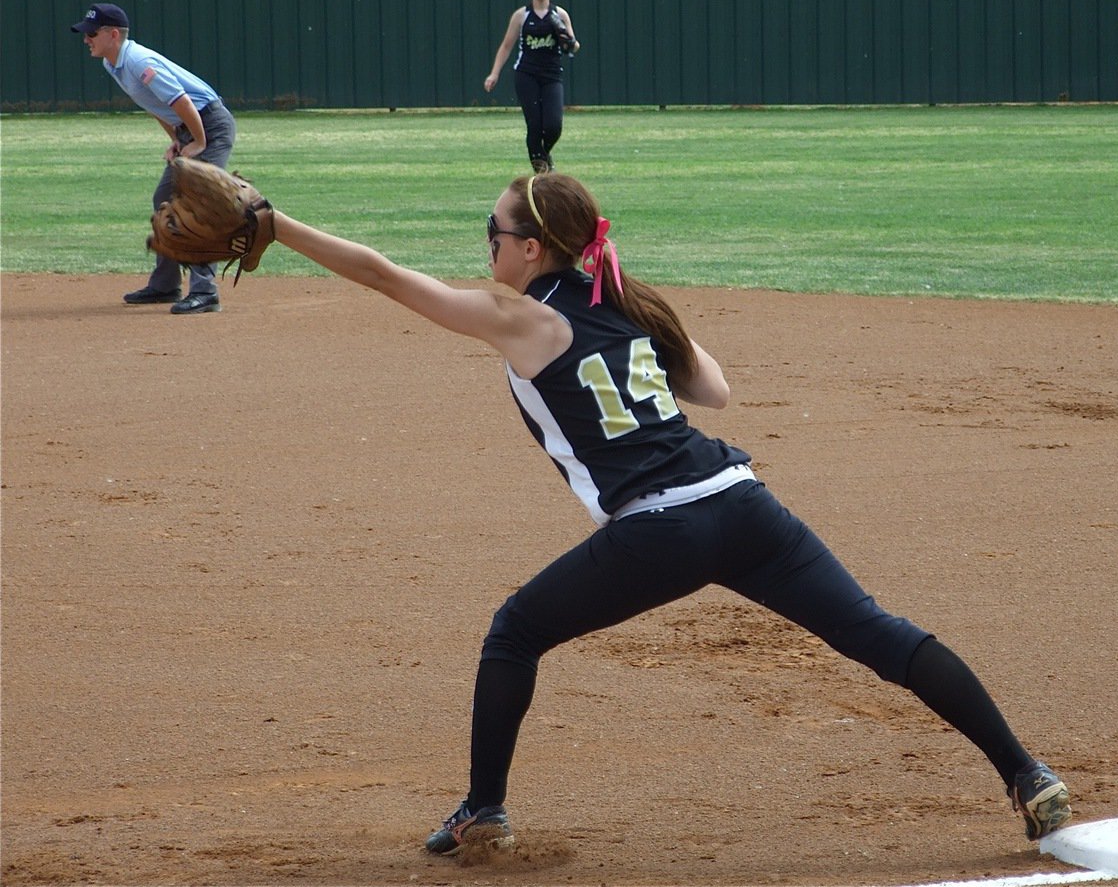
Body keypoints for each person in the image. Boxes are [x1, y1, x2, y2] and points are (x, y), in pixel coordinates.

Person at [265, 173, 1072, 856]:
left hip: (661, 529)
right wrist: (633, 309)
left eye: (495, 232)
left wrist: (278, 225)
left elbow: (382, 275)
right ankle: (1026, 772)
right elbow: (714, 391)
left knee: (514, 631)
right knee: (875, 631)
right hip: (744, 505)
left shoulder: (525, 317)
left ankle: (484, 808)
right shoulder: (625, 303)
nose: (489, 246)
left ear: (533, 249)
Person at [71, 3, 236, 314]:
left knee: (198, 204)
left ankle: (205, 291)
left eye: (92, 33)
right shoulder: (113, 63)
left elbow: (182, 101)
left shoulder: (138, 62)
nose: (86, 39)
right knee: (164, 199)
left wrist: (199, 141)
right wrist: (177, 140)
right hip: (190, 127)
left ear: (113, 35)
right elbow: (157, 105)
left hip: (209, 125)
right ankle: (166, 285)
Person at [484, 0, 579, 174]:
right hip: (527, 75)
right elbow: (506, 46)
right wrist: (494, 73)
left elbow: (573, 45)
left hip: (552, 75)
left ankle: (544, 155)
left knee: (553, 126)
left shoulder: (559, 15)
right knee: (535, 125)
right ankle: (542, 172)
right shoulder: (521, 15)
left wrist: (569, 41)